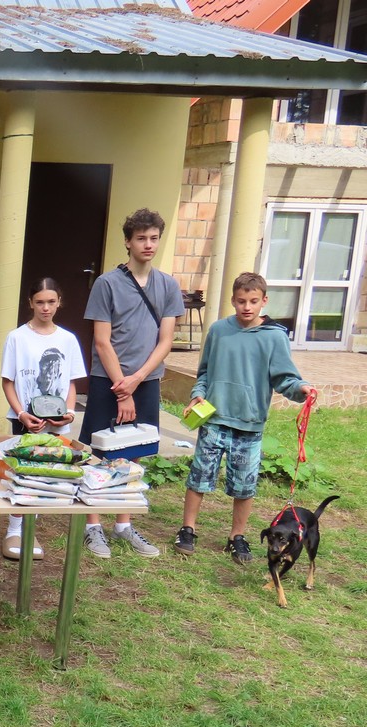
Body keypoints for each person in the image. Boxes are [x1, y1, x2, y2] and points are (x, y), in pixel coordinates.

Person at [174, 272, 317, 563]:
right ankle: (187, 529)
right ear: (233, 300)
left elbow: (284, 378)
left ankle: (236, 537)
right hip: (213, 419)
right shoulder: (218, 330)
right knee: (199, 478)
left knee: (244, 485)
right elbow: (204, 373)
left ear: (264, 300)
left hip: (249, 425)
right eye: (241, 301)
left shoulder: (274, 336)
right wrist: (198, 393)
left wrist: (301, 389)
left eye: (253, 301)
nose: (247, 307)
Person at [78, 208, 184, 559]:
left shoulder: (168, 285)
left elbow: (165, 341)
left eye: (154, 238)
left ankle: (123, 524)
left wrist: (137, 379)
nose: (148, 244)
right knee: (99, 451)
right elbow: (102, 341)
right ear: (127, 242)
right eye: (141, 238)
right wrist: (122, 387)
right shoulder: (106, 284)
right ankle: (92, 525)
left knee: (136, 449)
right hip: (107, 379)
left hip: (146, 380)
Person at [0, 277, 87, 561]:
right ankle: (14, 528)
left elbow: (71, 382)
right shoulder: (17, 337)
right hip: (25, 418)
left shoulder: (68, 339)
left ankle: (30, 527)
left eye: (51, 302)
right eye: (40, 302)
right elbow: (8, 381)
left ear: (59, 302)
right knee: (24, 471)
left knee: (47, 474)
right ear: (30, 303)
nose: (45, 308)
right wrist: (21, 413)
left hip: (57, 421)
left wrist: (69, 412)